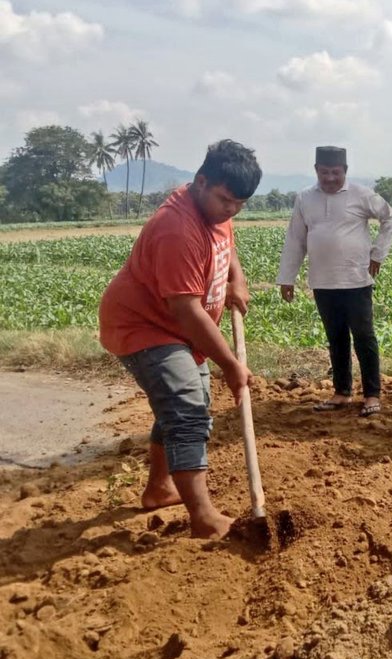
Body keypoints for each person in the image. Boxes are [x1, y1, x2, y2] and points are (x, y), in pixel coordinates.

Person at [99, 140, 262, 540]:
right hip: (144, 326)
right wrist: (230, 365)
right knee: (187, 406)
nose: (232, 210)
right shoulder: (177, 228)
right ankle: (203, 518)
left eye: (240, 203)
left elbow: (227, 244)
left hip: (177, 330)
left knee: (186, 401)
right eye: (227, 200)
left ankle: (159, 488)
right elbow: (186, 310)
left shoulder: (217, 208)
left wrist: (235, 279)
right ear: (201, 181)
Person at [276, 146, 392, 417]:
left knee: (364, 338)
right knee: (336, 338)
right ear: (316, 171)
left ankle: (371, 395)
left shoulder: (362, 195)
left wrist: (378, 254)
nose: (330, 178)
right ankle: (342, 392)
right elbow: (295, 239)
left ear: (345, 171)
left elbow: (390, 219)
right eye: (324, 172)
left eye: (335, 172)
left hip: (356, 280)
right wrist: (287, 278)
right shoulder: (304, 198)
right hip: (322, 282)